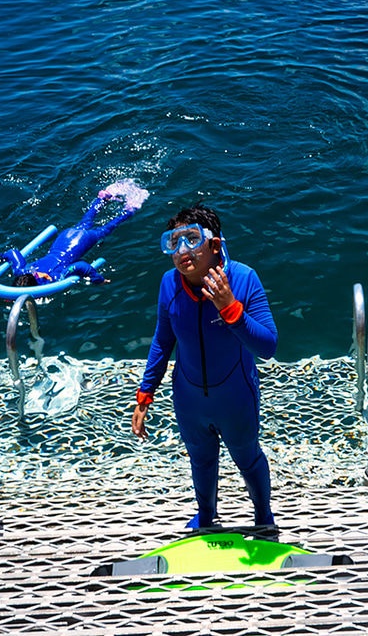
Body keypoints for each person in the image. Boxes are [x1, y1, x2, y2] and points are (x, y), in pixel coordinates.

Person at [132, 203, 277, 529]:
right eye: (173, 242)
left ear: (215, 245)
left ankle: (264, 517)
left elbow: (268, 346)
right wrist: (145, 395)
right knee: (201, 461)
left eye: (191, 239)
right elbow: (162, 341)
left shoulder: (242, 279)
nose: (182, 250)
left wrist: (230, 309)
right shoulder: (169, 284)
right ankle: (207, 517)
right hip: (189, 399)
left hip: (236, 397)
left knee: (247, 459)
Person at [2, 180, 146, 286]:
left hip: (80, 244)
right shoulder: (21, 270)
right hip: (65, 237)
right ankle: (102, 198)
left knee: (105, 230)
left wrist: (98, 280)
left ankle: (129, 210)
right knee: (85, 222)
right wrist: (3, 256)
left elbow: (82, 266)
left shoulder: (57, 277)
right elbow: (13, 252)